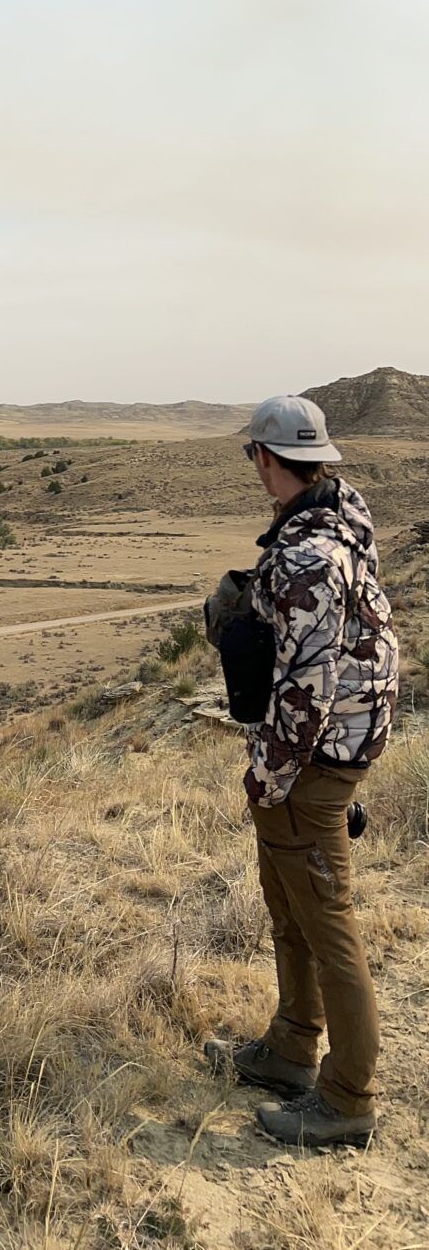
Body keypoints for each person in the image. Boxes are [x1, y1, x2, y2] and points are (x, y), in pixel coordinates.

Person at [205, 394, 401, 1147]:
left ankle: (348, 1098)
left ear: (264, 458)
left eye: (253, 455)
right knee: (290, 908)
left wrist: (267, 776)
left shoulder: (310, 553)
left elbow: (306, 685)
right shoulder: (337, 519)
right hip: (319, 757)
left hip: (311, 764)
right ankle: (291, 1050)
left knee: (327, 924)